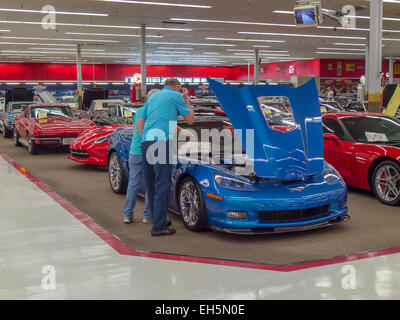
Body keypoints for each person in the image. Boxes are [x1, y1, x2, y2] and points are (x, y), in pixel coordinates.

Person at [137, 78, 194, 236]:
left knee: (151, 185)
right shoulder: (176, 96)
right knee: (162, 185)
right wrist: (186, 100)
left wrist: (147, 139)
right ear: (177, 87)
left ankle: (158, 219)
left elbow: (140, 123)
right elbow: (190, 120)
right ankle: (158, 228)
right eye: (180, 89)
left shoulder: (153, 97)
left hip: (146, 142)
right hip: (161, 143)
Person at [122, 89, 160, 224]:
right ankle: (148, 216)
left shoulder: (139, 111)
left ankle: (127, 215)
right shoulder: (157, 113)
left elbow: (134, 131)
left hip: (135, 150)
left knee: (133, 183)